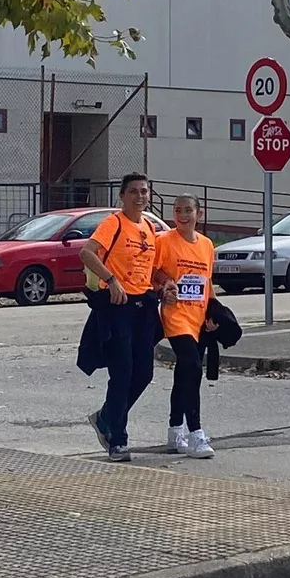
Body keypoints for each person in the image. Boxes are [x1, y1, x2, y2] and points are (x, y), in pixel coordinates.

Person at [79, 173, 172, 463]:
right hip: (118, 306)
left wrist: (165, 284)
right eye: (134, 191)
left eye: (144, 191)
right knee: (122, 373)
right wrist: (112, 280)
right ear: (122, 196)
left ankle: (107, 416)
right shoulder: (113, 223)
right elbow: (87, 252)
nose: (140, 196)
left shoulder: (148, 227)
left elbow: (153, 268)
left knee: (143, 373)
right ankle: (118, 439)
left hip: (144, 306)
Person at [154, 193, 216, 457]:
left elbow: (207, 282)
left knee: (185, 373)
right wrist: (165, 285)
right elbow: (153, 272)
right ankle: (196, 434)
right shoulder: (164, 241)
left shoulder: (206, 245)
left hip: (199, 317)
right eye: (178, 210)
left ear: (199, 214)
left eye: (188, 210)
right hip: (175, 316)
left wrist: (215, 312)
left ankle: (174, 430)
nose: (183, 215)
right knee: (192, 366)